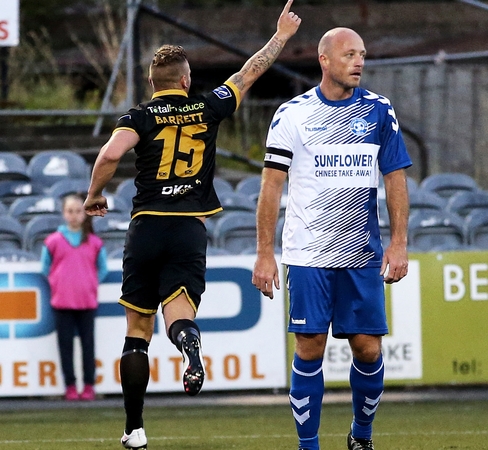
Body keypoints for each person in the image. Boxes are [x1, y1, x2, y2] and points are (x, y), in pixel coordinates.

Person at [83, 2, 301, 448]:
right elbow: (248, 73)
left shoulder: (138, 117)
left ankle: (135, 429)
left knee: (137, 331)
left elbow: (108, 155)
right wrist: (279, 36)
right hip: (188, 228)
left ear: (151, 82)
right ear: (186, 80)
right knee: (179, 310)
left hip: (146, 226)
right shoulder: (207, 106)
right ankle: (189, 346)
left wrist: (93, 196)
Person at [252, 27, 412, 450]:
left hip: (361, 252)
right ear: (324, 60)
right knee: (311, 346)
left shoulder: (379, 111)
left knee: (368, 350)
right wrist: (264, 254)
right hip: (307, 254)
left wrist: (399, 243)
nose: (359, 62)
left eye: (362, 54)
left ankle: (361, 436)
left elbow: (395, 178)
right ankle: (309, 446)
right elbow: (270, 187)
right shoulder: (292, 114)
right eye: (349, 55)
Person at [42, 193, 108, 402]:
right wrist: (57, 282)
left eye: (78, 211)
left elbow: (103, 268)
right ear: (64, 213)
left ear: (84, 214)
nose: (73, 215)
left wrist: (90, 282)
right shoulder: (53, 241)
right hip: (62, 302)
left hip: (86, 302)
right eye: (70, 211)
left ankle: (89, 385)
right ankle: (70, 385)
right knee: (65, 346)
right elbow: (45, 267)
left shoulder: (94, 242)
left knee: (88, 345)